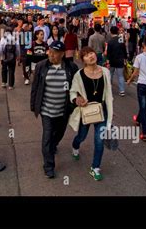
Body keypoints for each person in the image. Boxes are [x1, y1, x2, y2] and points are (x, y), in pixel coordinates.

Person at [30, 41, 79, 178]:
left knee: (59, 134)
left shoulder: (71, 68)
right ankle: (49, 166)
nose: (51, 54)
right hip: (46, 110)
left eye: (54, 52)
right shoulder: (42, 66)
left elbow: (76, 87)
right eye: (50, 51)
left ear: (62, 54)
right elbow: (35, 87)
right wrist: (33, 105)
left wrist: (76, 103)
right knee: (47, 136)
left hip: (63, 110)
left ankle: (53, 144)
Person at [69, 47, 114, 181]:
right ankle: (75, 146)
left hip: (102, 110)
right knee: (81, 136)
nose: (90, 56)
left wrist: (110, 115)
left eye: (91, 53)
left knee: (99, 140)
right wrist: (77, 99)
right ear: (83, 60)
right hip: (86, 111)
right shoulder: (79, 74)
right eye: (86, 55)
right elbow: (72, 91)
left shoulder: (105, 71)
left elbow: (108, 93)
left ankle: (95, 168)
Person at [106, 26, 127, 96]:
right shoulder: (121, 40)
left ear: (111, 32)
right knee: (120, 76)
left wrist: (108, 61)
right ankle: (122, 91)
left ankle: (109, 89)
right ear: (117, 31)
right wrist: (125, 58)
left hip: (112, 60)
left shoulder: (110, 41)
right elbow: (124, 50)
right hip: (120, 60)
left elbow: (108, 52)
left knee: (110, 75)